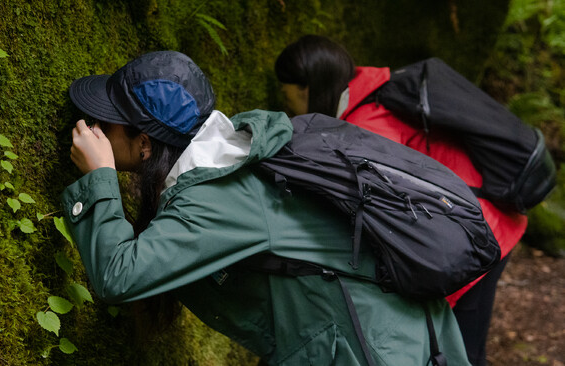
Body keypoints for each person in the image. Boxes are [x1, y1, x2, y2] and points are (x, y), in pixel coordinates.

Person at [62, 50, 471, 365]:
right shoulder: (228, 154)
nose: (95, 130)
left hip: (376, 347)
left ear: (146, 144)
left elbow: (119, 276)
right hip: (384, 332)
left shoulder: (218, 195)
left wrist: (99, 175)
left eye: (107, 123)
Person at [275, 35, 528, 366]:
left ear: (308, 88)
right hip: (479, 218)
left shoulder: (367, 123)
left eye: (286, 92)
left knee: (462, 349)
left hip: (481, 228)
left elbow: (389, 209)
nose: (286, 103)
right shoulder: (369, 92)